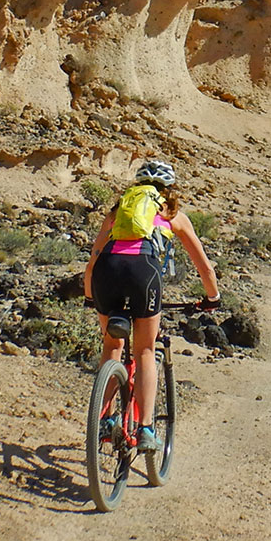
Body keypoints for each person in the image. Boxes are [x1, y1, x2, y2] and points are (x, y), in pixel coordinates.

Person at [84, 160, 221, 451]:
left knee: (112, 347)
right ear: (169, 190)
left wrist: (88, 294)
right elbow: (205, 269)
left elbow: (94, 257)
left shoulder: (118, 213)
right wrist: (212, 298)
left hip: (106, 271)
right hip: (143, 272)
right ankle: (146, 429)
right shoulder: (174, 215)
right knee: (145, 350)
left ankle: (105, 419)